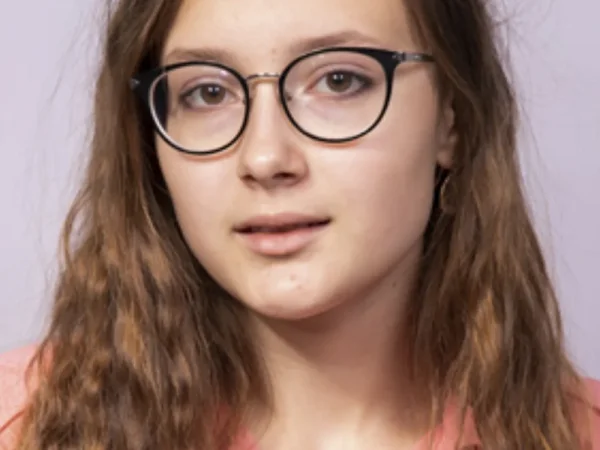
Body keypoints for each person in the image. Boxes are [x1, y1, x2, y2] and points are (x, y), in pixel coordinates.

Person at [1, 0, 598, 448]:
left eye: (339, 81)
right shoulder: (25, 424)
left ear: (453, 119)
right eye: (207, 93)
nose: (265, 158)